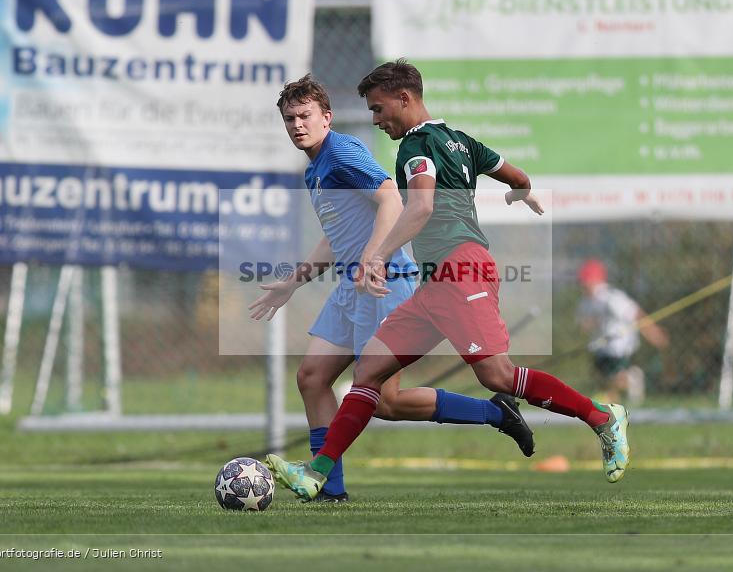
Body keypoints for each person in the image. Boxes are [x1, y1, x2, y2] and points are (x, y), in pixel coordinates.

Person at [266, 60, 631, 501]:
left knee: (497, 375)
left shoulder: (415, 149)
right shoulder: (461, 140)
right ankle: (318, 474)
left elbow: (416, 207)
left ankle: (600, 417)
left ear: (405, 99)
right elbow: (514, 175)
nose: (377, 121)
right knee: (369, 372)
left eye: (380, 110)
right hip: (434, 282)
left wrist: (376, 257)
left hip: (461, 270)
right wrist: (524, 192)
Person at [248, 74, 534, 502]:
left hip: (384, 282)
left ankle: (495, 412)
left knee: (386, 401)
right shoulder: (316, 170)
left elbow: (390, 198)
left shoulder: (342, 151)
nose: (297, 126)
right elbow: (336, 235)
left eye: (305, 116)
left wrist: (374, 256)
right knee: (311, 377)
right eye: (289, 119)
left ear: (327, 117)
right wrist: (292, 282)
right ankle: (329, 492)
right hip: (353, 285)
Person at [576, 259, 669, 406]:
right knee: (606, 382)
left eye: (587, 280)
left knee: (617, 378)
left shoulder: (612, 297)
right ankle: (612, 408)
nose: (583, 284)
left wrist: (654, 333)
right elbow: (583, 325)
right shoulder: (585, 302)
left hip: (619, 346)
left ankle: (632, 378)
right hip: (599, 347)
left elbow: (636, 314)